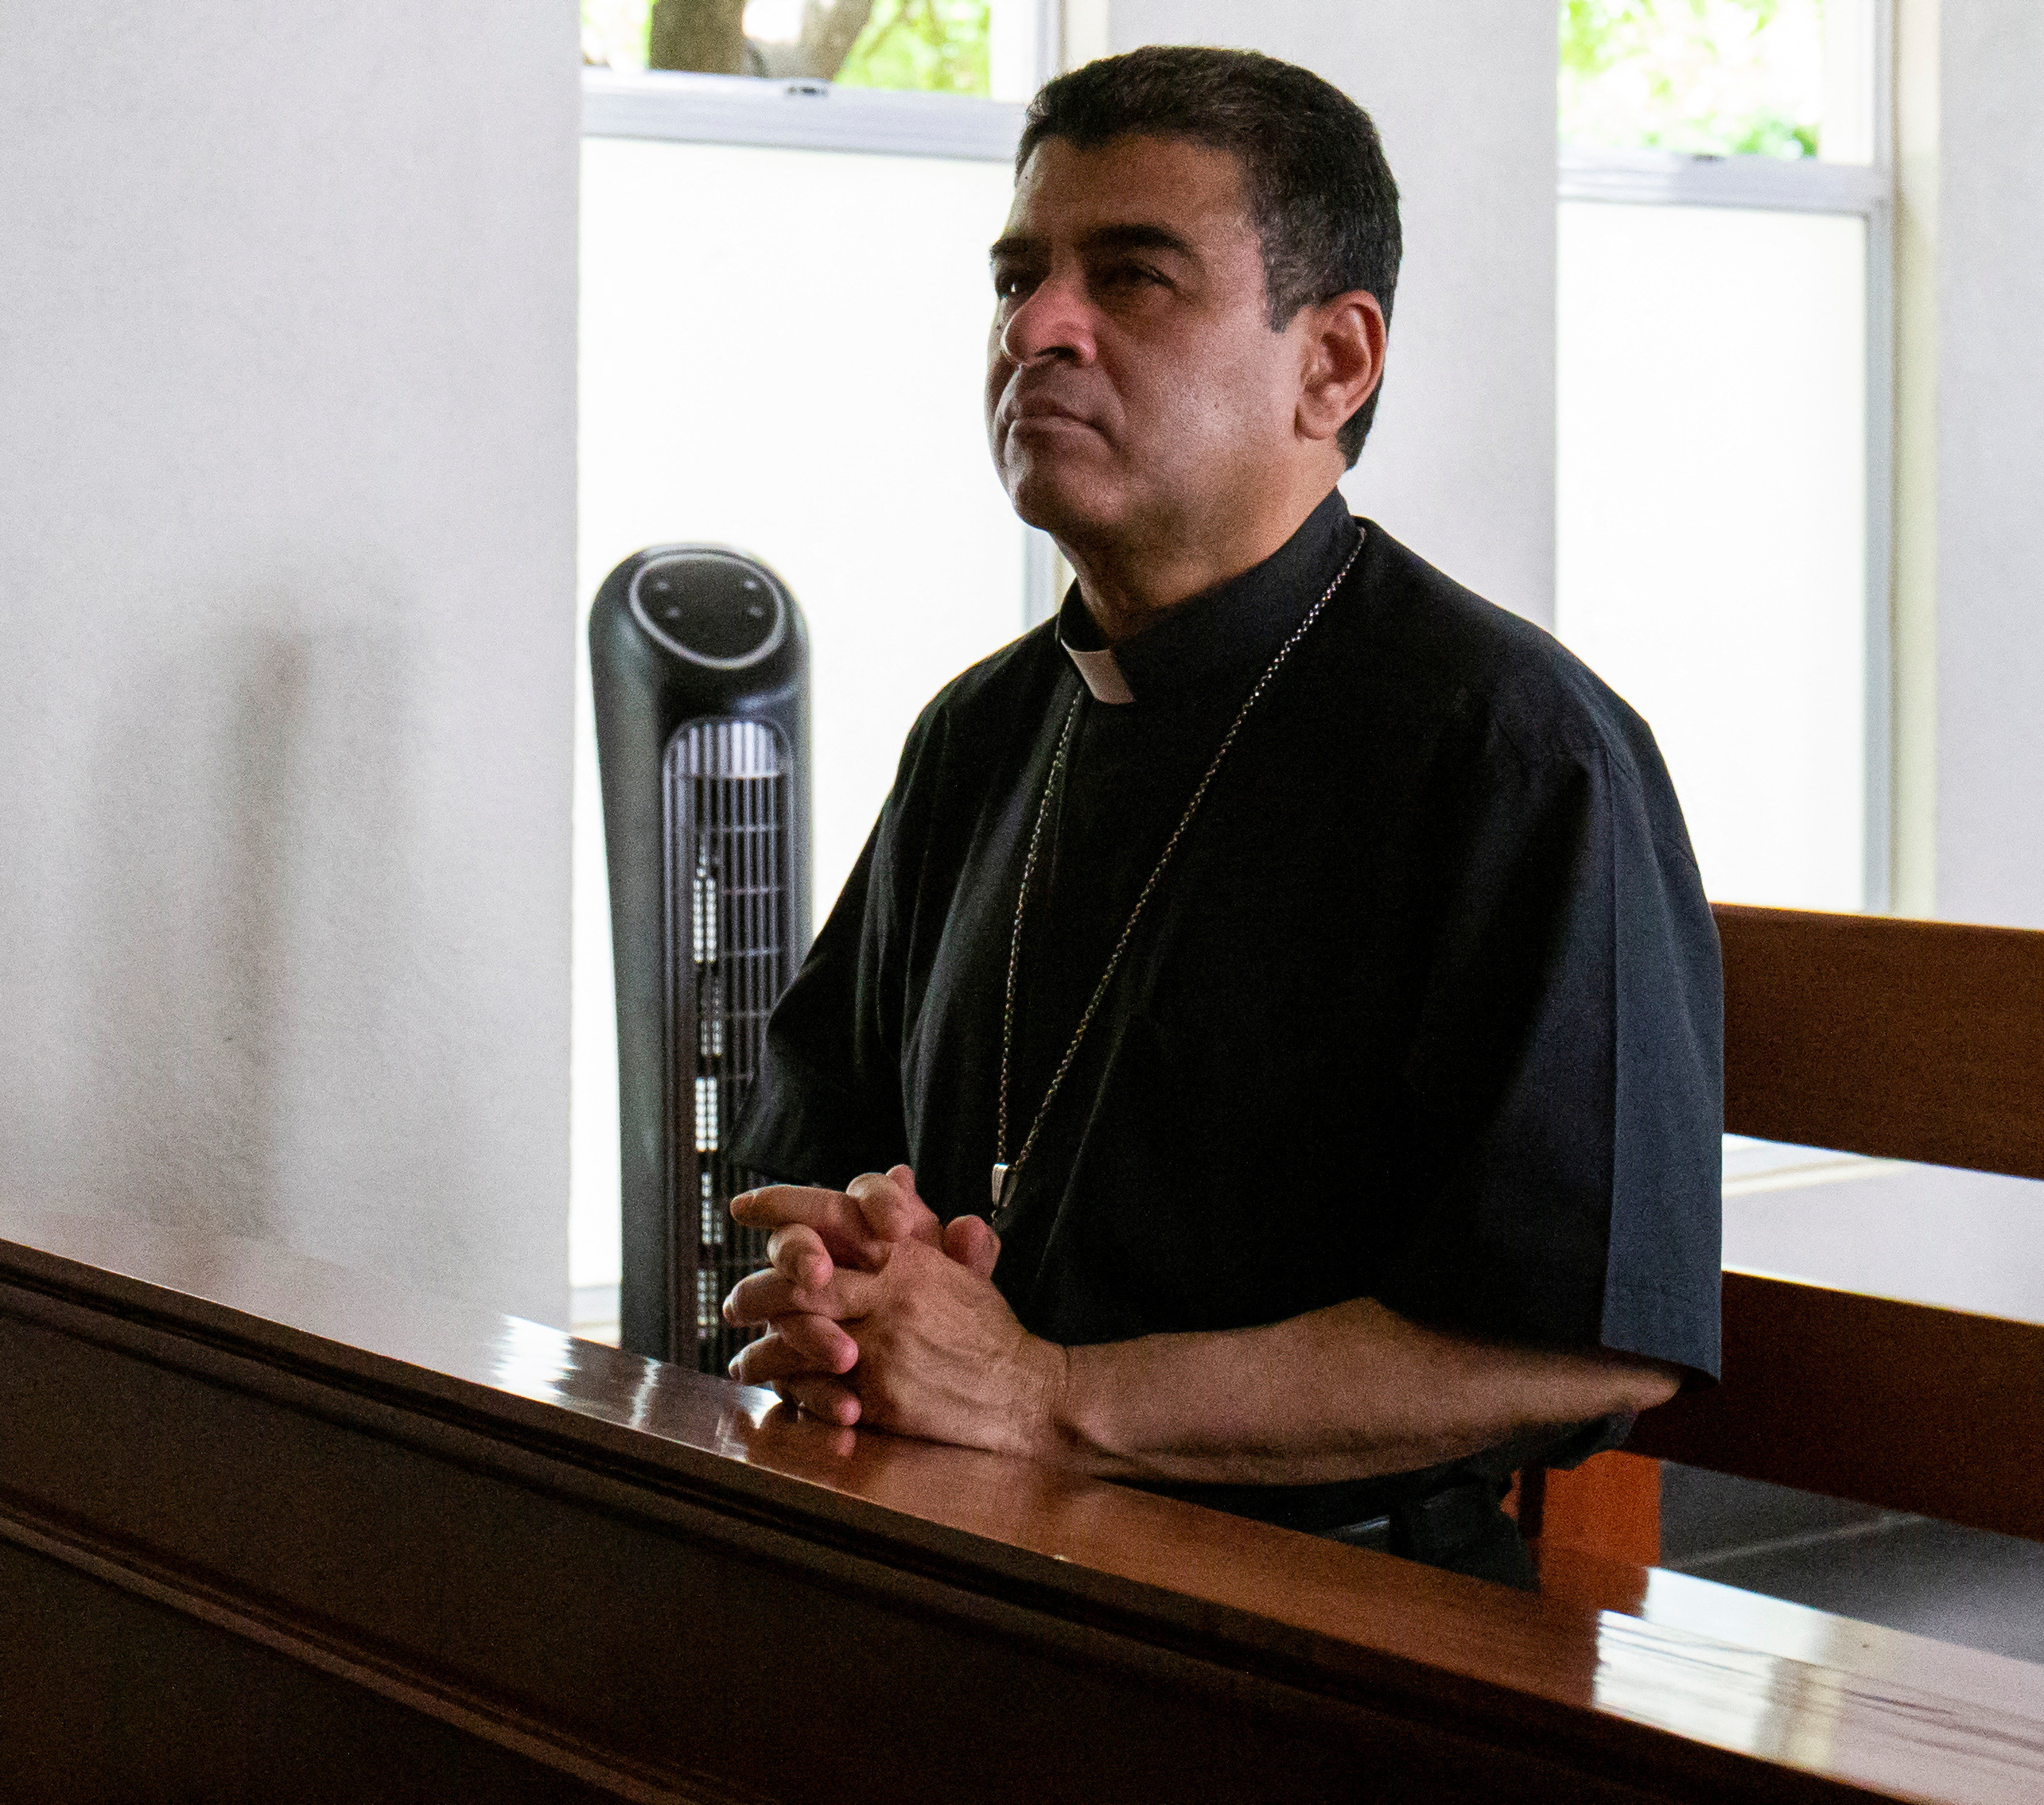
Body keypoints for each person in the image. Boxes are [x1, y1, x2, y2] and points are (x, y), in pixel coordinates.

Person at [721, 45, 1721, 1587]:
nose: (1039, 328)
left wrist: (1055, 1397)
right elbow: (819, 1125)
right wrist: (866, 1256)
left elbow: (1580, 1337)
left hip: (1335, 1621)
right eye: (1017, 280)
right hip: (958, 1564)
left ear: (1335, 363)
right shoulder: (984, 732)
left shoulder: (1515, 753)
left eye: (1132, 278)